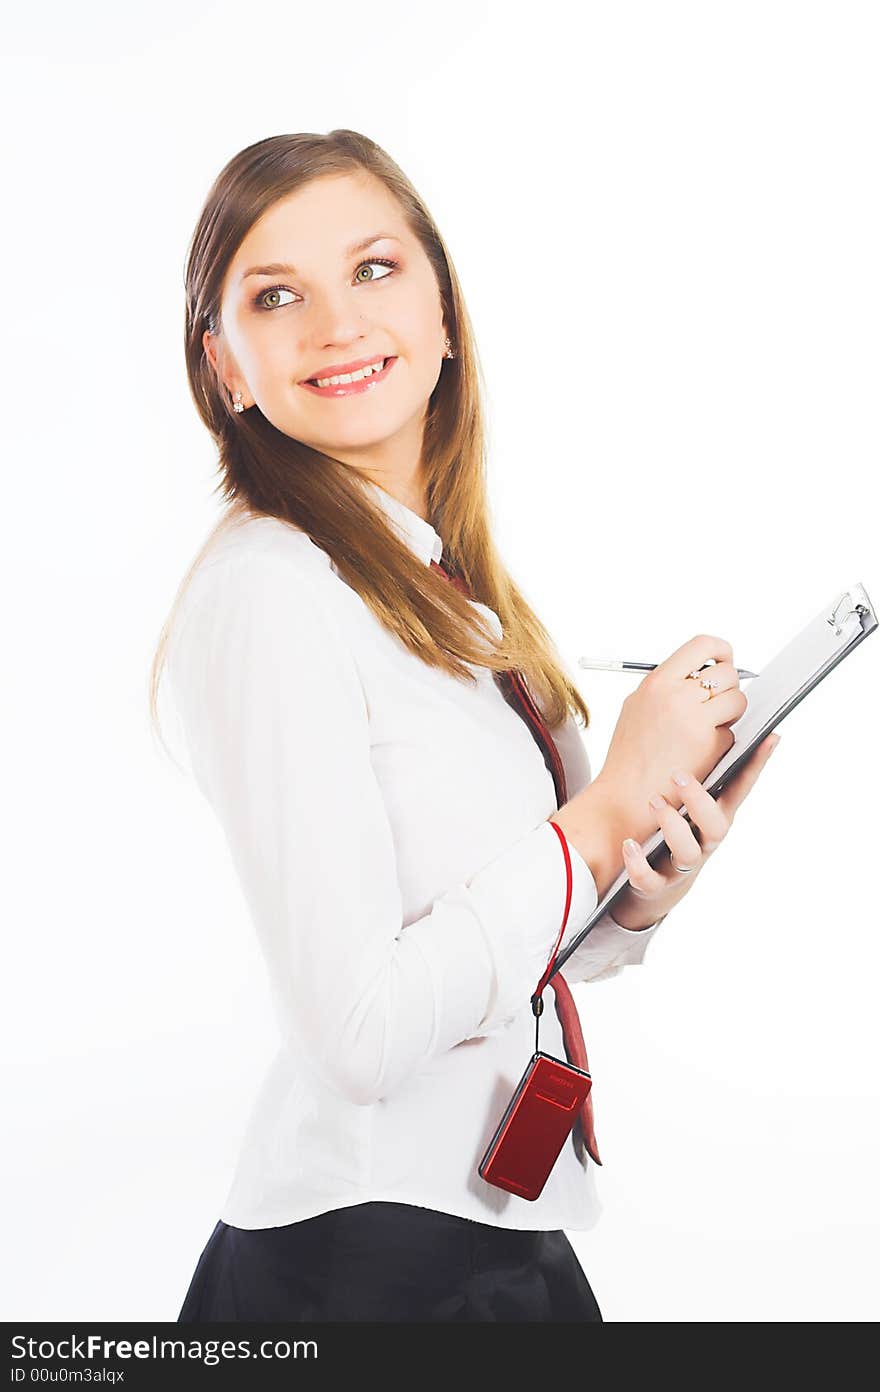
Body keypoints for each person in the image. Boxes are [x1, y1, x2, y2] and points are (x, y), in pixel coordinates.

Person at [151, 129, 779, 1323]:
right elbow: (360, 1031)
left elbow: (502, 929)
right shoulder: (274, 589)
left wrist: (633, 883)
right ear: (227, 366)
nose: (336, 322)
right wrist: (596, 821)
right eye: (275, 296)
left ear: (445, 317)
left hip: (486, 1239)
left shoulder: (442, 591)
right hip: (366, 1267)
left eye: (375, 270)